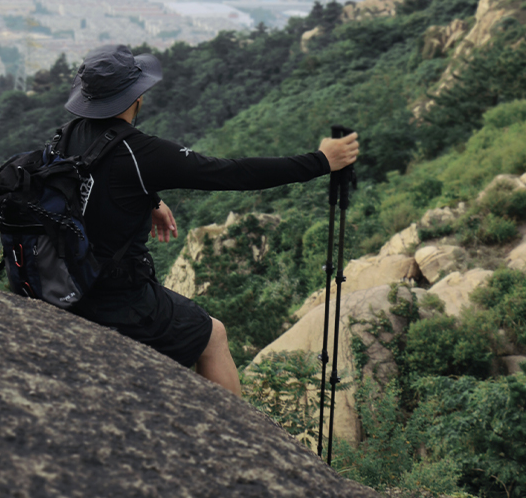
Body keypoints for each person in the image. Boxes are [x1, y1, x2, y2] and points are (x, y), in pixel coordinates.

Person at [63, 44, 359, 397]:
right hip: (112, 296)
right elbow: (233, 173)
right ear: (136, 97)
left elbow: (91, 182)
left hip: (65, 278)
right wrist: (321, 161)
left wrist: (150, 198)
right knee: (212, 335)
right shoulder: (141, 152)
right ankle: (236, 439)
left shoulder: (70, 133)